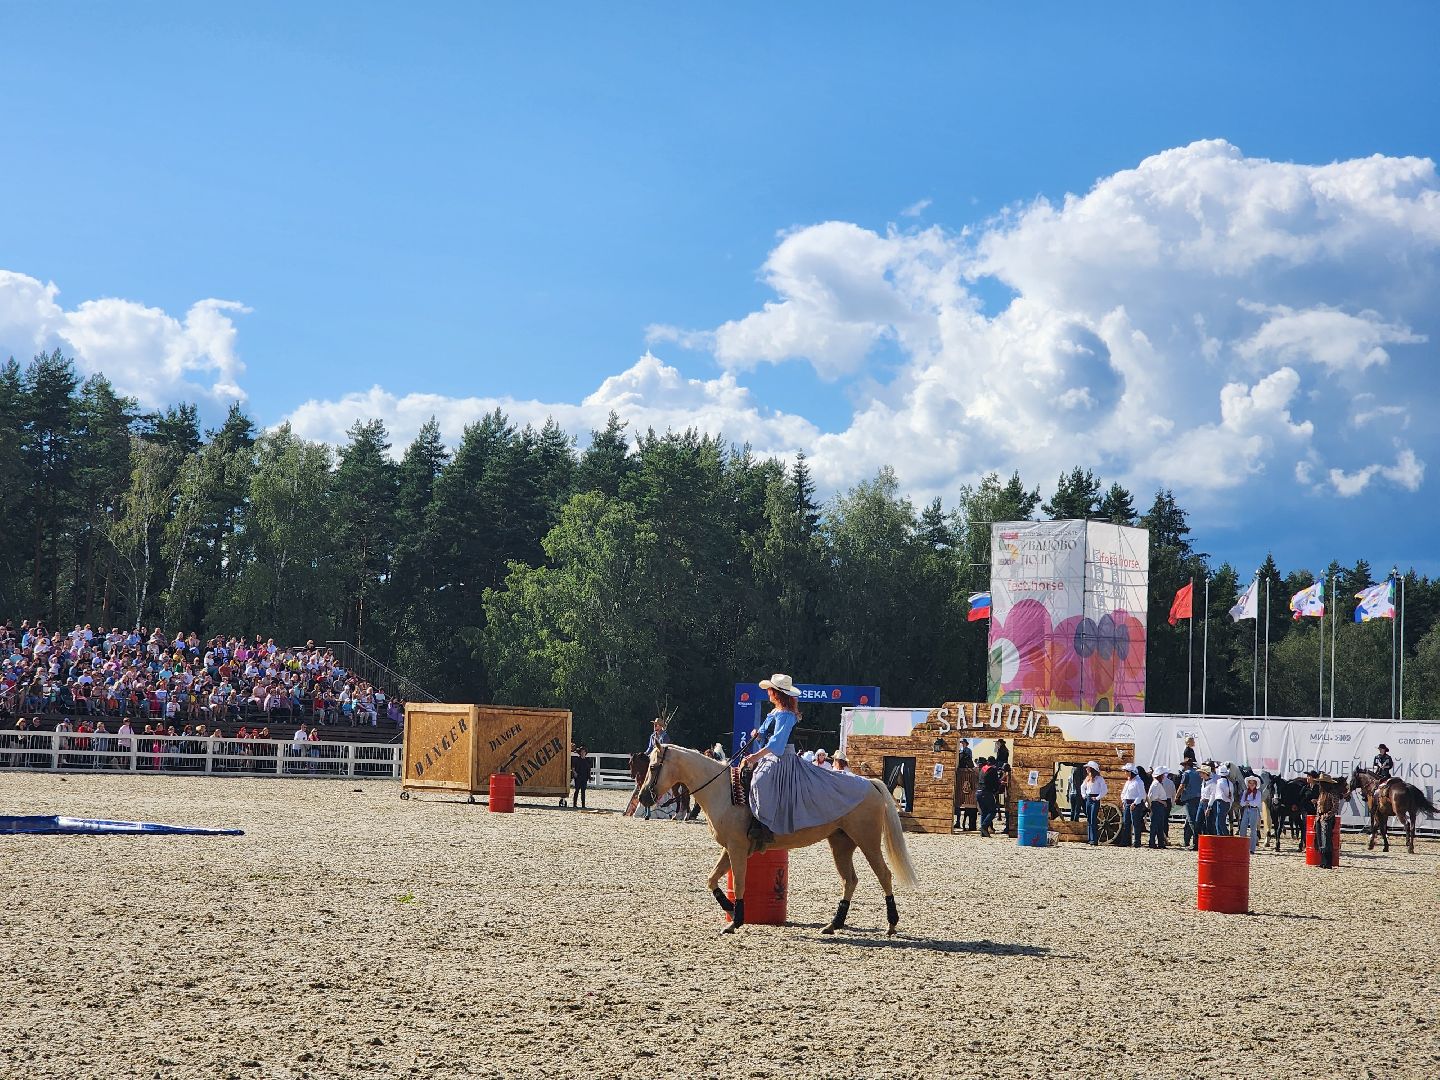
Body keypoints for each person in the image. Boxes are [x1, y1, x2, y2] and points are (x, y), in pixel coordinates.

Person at [741, 673, 870, 844]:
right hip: (771, 755)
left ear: (776, 693)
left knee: (760, 780)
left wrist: (755, 756)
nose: (768, 693)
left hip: (782, 758)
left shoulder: (786, 715)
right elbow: (765, 734)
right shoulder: (774, 712)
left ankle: (764, 827)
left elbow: (778, 743)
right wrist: (757, 735)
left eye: (770, 690)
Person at [1120, 764, 1147, 847]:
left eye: (1126, 771)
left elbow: (1141, 794)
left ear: (1131, 772)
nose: (1125, 773)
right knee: (1126, 823)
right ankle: (1126, 841)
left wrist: (1135, 803)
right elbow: (1124, 793)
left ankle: (1136, 841)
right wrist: (1123, 801)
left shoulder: (1138, 782)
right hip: (1127, 803)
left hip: (1135, 804)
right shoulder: (1128, 782)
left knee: (1135, 823)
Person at [1080, 761, 1107, 846]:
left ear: (1092, 768)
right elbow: (1082, 787)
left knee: (1093, 819)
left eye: (1088, 767)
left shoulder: (1099, 779)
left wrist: (1098, 797)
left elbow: (1104, 790)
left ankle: (1094, 840)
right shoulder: (1088, 778)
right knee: (1089, 819)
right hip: (1088, 798)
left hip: (1095, 799)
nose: (1086, 769)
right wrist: (1084, 795)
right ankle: (1090, 839)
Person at [1238, 774, 1264, 853]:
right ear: (1248, 784)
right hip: (1246, 810)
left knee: (1253, 830)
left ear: (1255, 784)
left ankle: (1252, 849)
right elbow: (1242, 803)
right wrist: (1249, 803)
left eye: (1253, 783)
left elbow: (1257, 803)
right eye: (1250, 783)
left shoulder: (1258, 793)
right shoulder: (1246, 792)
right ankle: (1242, 847)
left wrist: (1248, 802)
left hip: (1254, 810)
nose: (1252, 784)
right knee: (1242, 828)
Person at [1146, 767, 1171, 849]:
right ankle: (1152, 842)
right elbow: (1154, 797)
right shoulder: (1156, 784)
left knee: (1159, 825)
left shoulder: (1156, 783)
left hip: (1158, 805)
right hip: (1157, 805)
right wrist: (1163, 802)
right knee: (1155, 825)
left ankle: (1160, 842)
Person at [977, 756, 1001, 837]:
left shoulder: (982, 769)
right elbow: (996, 782)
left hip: (979, 792)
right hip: (986, 792)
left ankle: (983, 833)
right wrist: (996, 790)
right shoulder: (992, 769)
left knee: (984, 812)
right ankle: (984, 826)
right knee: (992, 811)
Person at [1315, 791, 1338, 869]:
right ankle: (1323, 861)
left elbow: (1335, 807)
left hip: (1327, 819)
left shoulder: (1332, 794)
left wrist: (1327, 815)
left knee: (1326, 840)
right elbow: (1318, 808)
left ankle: (1328, 862)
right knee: (1320, 840)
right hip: (1319, 818)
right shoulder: (1321, 794)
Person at [1211, 765, 1234, 836]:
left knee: (1220, 821)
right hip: (1227, 803)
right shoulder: (1230, 783)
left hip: (1220, 802)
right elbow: (1231, 796)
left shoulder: (1219, 782)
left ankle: (1224, 835)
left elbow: (1218, 794)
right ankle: (1221, 835)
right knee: (1220, 820)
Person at [570, 744, 593, 809]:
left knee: (583, 791)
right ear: (580, 753)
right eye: (582, 752)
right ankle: (574, 804)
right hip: (578, 777)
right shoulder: (576, 760)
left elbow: (588, 770)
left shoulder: (587, 761)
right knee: (577, 790)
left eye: (584, 752)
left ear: (585, 753)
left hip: (584, 777)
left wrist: (589, 777)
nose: (583, 753)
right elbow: (573, 768)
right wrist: (574, 773)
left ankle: (583, 805)